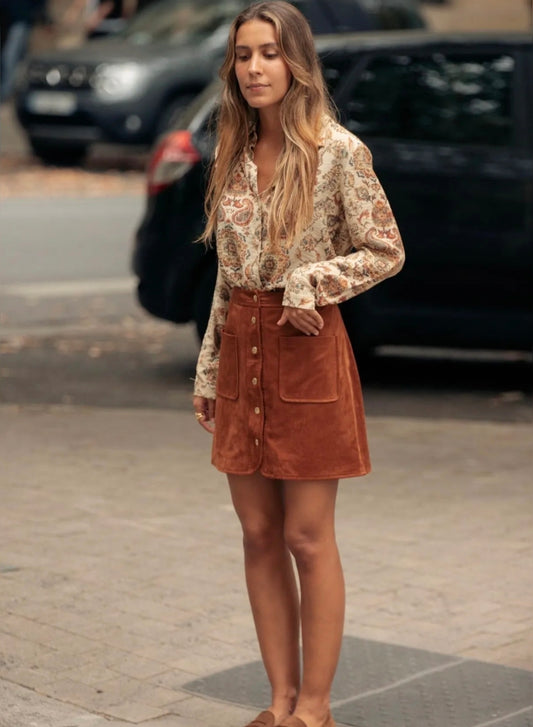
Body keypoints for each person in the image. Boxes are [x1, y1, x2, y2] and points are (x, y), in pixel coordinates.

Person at [192, 3, 404, 727]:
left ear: (297, 63)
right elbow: (225, 279)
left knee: (305, 537)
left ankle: (315, 707)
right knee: (256, 535)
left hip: (306, 352)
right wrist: (207, 367)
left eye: (269, 53)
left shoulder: (338, 151)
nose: (254, 68)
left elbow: (385, 249)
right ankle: (278, 699)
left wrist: (314, 280)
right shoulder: (232, 153)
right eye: (243, 54)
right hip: (240, 348)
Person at [0, 0, 50, 102]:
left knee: (11, 57)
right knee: (10, 58)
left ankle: (7, 92)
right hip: (9, 20)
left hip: (20, 21)